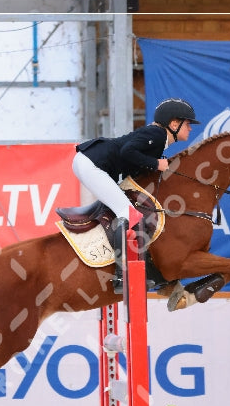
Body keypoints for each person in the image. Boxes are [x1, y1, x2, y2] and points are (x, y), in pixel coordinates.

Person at [72, 97, 200, 293]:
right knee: (129, 214)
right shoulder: (157, 134)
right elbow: (127, 151)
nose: (190, 128)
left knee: (129, 210)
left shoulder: (159, 139)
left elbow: (134, 164)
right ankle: (122, 275)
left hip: (91, 162)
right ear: (174, 124)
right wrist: (157, 164)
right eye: (188, 124)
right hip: (92, 163)